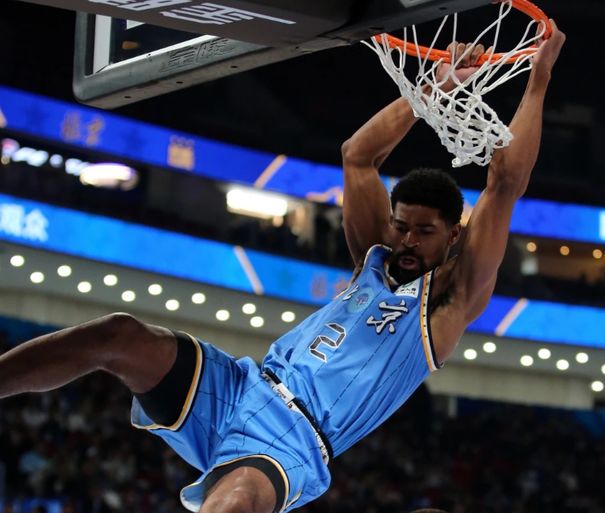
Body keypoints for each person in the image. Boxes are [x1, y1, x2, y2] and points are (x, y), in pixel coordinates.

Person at [0, 21, 565, 513]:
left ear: (454, 236)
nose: (408, 240)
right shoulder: (374, 257)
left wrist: (537, 79)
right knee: (117, 335)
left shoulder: (451, 299)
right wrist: (430, 92)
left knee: (234, 504)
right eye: (401, 226)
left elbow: (505, 183)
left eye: (425, 232)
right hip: (239, 386)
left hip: (295, 439)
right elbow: (357, 157)